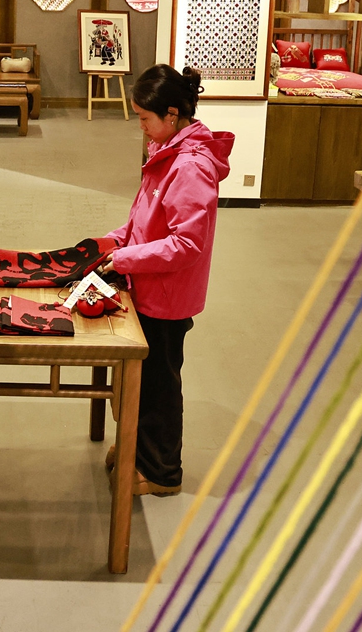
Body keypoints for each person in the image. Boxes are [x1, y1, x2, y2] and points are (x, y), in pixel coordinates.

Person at [99, 64, 234, 496]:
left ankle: (162, 473)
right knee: (142, 378)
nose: (140, 125)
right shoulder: (166, 150)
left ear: (171, 115)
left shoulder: (191, 167)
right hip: (146, 282)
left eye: (144, 117)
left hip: (166, 295)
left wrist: (124, 258)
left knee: (159, 385)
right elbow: (144, 218)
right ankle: (138, 449)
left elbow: (186, 244)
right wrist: (112, 242)